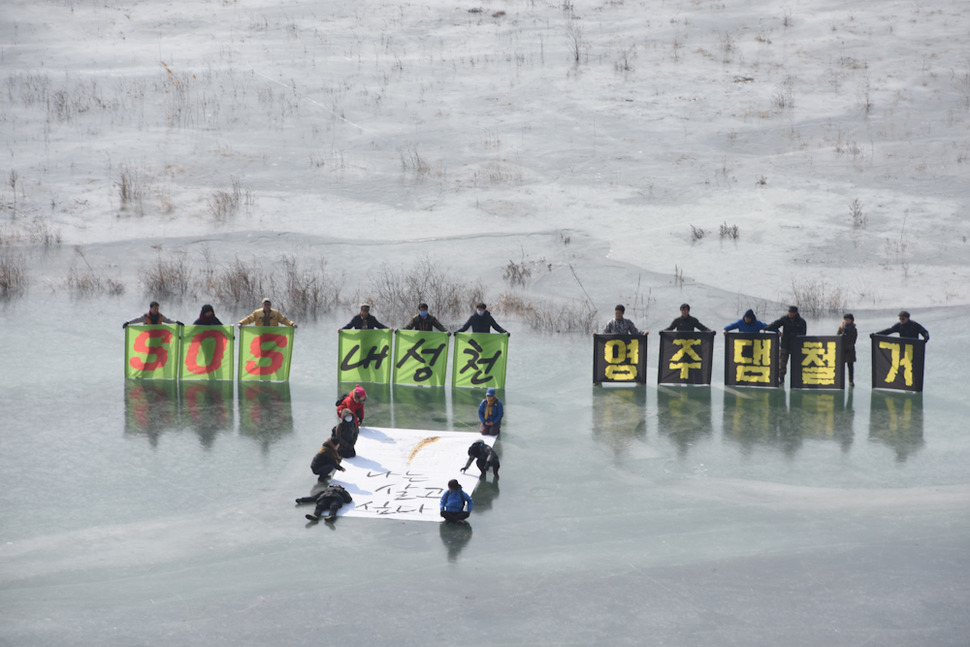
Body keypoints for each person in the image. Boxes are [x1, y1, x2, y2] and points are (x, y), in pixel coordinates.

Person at [764, 306, 807, 386]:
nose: (789, 314)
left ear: (795, 313)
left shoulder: (802, 322)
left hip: (796, 346)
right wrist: (767, 327)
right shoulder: (785, 319)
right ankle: (781, 378)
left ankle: (797, 380)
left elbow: (803, 333)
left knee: (797, 364)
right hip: (785, 344)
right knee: (782, 363)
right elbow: (776, 324)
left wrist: (794, 335)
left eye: (791, 313)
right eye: (789, 312)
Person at [838, 313, 858, 387]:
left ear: (851, 320)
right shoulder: (842, 328)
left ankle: (851, 380)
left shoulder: (854, 330)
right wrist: (841, 329)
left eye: (848, 319)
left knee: (850, 366)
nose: (846, 321)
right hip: (841, 350)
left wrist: (848, 347)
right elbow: (837, 336)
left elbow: (853, 340)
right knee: (840, 366)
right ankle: (839, 380)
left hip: (850, 351)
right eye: (845, 319)